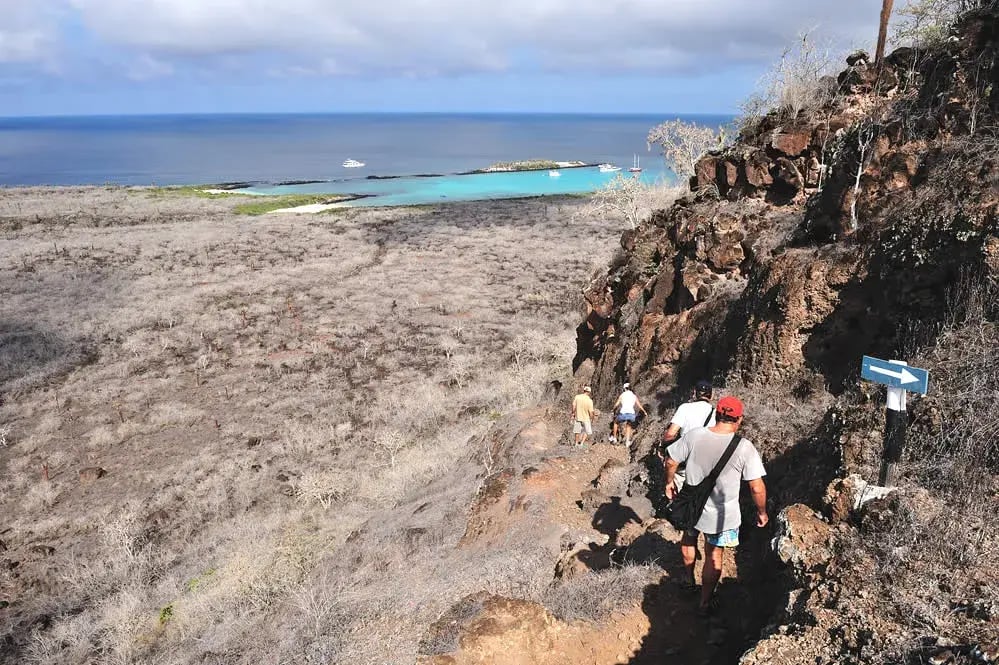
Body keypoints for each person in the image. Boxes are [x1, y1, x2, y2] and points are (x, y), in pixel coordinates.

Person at [664, 396, 767, 616]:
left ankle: (688, 579)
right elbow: (757, 488)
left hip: (692, 506)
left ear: (718, 414)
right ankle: (704, 601)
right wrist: (762, 512)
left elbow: (671, 460)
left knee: (688, 538)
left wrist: (669, 482)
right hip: (722, 515)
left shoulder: (695, 436)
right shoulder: (745, 447)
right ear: (739, 419)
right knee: (714, 555)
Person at [661, 380, 716, 448]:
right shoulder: (716, 413)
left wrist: (662, 448)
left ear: (694, 393)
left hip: (685, 451)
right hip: (704, 452)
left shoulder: (685, 408)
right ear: (711, 396)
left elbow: (670, 434)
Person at [610, 382, 648, 448]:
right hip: (631, 415)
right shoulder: (634, 396)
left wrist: (613, 409)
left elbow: (616, 404)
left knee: (616, 422)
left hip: (623, 413)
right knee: (629, 425)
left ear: (624, 388)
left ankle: (615, 438)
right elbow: (639, 405)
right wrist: (644, 412)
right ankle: (627, 442)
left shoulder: (622, 395)